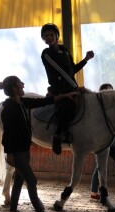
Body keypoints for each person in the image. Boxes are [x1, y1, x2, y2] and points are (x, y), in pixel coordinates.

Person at [0, 75, 77, 212]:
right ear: (15, 88)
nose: (23, 84)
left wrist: (63, 96)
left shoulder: (21, 102)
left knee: (19, 179)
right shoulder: (8, 108)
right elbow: (7, 134)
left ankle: (13, 211)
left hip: (24, 149)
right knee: (32, 180)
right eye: (20, 83)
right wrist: (9, 154)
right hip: (16, 151)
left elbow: (42, 102)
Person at [40, 23, 94, 155]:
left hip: (71, 86)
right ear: (44, 39)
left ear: (56, 36)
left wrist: (86, 59)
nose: (49, 37)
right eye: (46, 36)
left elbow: (72, 69)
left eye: (51, 34)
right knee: (67, 106)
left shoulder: (64, 50)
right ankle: (58, 136)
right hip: (59, 89)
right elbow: (60, 72)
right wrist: (75, 88)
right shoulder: (46, 53)